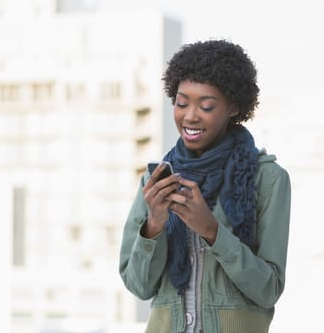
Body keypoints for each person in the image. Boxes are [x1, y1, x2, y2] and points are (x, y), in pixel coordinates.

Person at [119, 39, 291, 333]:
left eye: (206, 105)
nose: (190, 116)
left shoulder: (269, 178)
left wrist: (212, 231)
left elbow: (268, 289)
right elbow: (139, 286)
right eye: (181, 103)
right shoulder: (156, 181)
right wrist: (154, 225)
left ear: (234, 106)